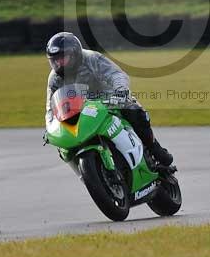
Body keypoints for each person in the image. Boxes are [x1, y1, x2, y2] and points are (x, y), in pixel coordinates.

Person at [44, 31, 174, 166]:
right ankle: (87, 176)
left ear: (74, 53)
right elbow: (51, 106)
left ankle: (154, 148)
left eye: (62, 58)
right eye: (54, 60)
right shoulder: (54, 78)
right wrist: (50, 126)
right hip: (81, 110)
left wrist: (120, 91)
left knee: (135, 113)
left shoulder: (91, 59)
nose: (58, 63)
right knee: (64, 146)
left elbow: (116, 74)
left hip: (110, 100)